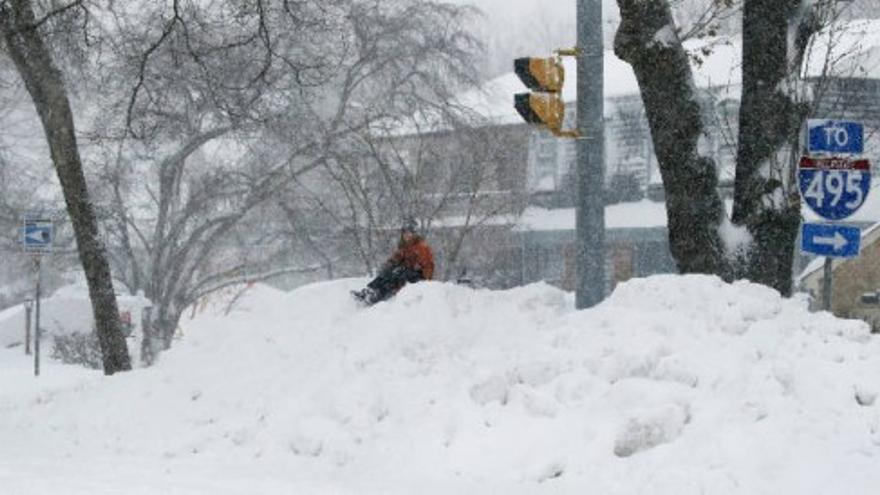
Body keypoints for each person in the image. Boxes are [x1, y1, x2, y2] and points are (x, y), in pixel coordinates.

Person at [352, 219, 434, 305]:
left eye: (409, 233)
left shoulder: (422, 247)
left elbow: (428, 266)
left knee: (398, 273)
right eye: (405, 233)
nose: (407, 236)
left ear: (414, 234)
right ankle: (370, 290)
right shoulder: (405, 246)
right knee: (388, 271)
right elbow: (397, 257)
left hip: (419, 276)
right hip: (405, 271)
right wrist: (389, 264)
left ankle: (378, 295)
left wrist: (423, 280)